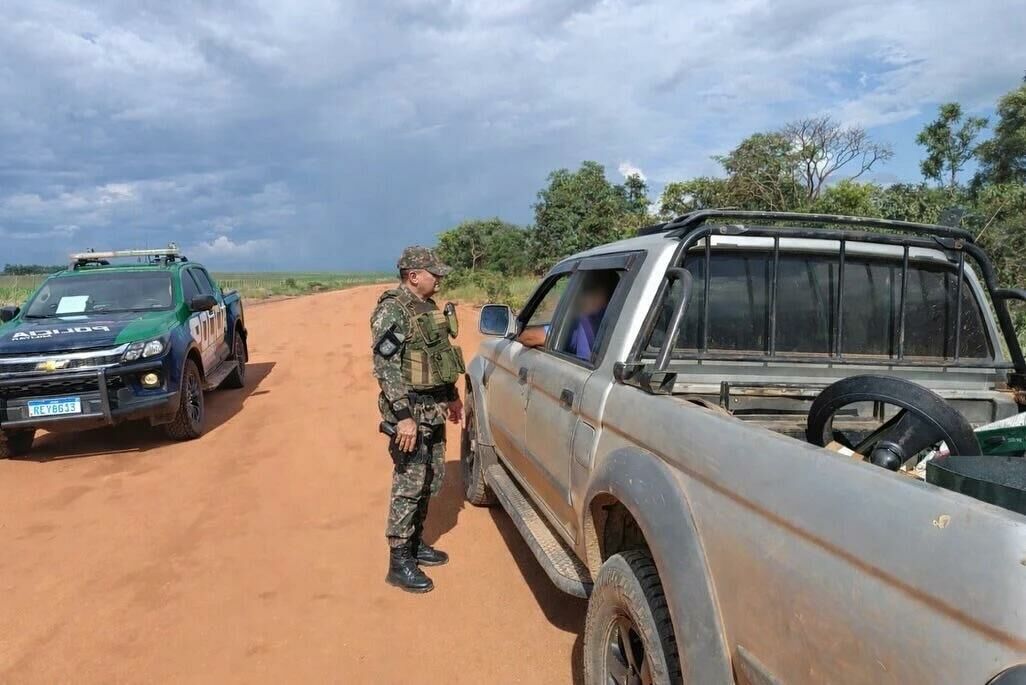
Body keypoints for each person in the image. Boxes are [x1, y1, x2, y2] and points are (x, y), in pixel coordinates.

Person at [370, 246, 465, 593]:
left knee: (430, 478)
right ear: (413, 275)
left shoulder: (427, 307)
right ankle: (398, 560)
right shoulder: (393, 310)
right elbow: (385, 366)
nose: (439, 278)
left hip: (434, 408)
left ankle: (415, 543)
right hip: (410, 410)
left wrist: (452, 397)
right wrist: (403, 417)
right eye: (433, 273)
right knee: (409, 483)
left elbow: (440, 356)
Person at [517, 271, 617, 361]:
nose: (580, 298)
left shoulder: (581, 322)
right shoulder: (619, 319)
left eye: (587, 291)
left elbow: (528, 337)